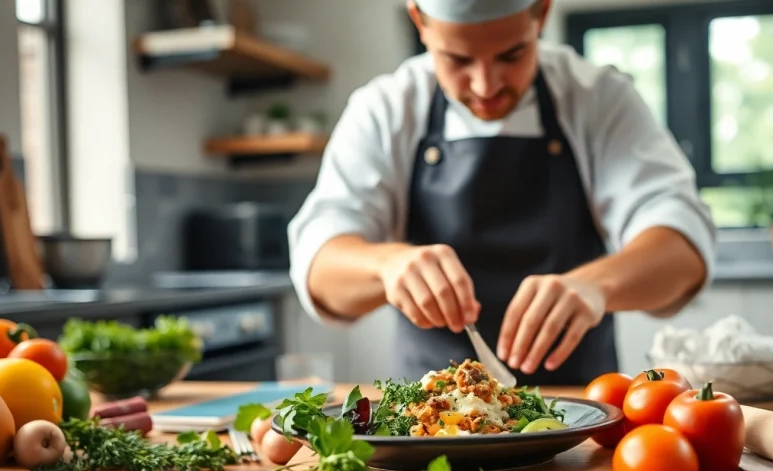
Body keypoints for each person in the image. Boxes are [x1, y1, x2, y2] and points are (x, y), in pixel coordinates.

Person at [287, 0, 716, 386]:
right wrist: (386, 265)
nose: (486, 85)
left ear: (542, 13)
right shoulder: (385, 109)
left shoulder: (599, 99)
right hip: (425, 431)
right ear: (420, 20)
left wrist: (597, 286)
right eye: (457, 59)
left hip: (582, 419)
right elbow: (319, 267)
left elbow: (683, 250)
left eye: (512, 55)